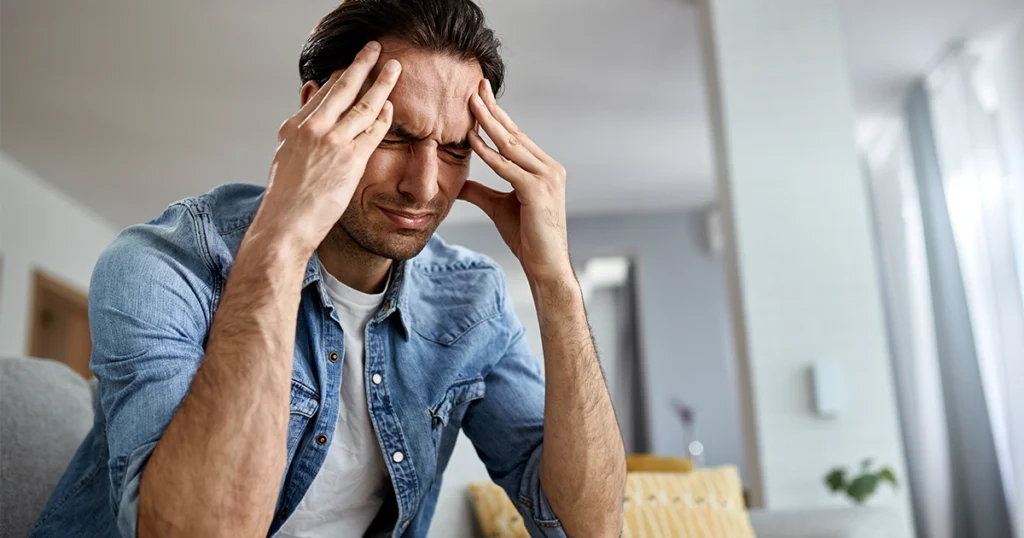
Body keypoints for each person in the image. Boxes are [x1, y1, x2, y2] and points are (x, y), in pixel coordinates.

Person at [31, 1, 626, 537]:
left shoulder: (470, 299)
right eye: (394, 135)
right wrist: (282, 239)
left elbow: (588, 527)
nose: (424, 187)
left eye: (454, 150)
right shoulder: (162, 265)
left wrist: (555, 283)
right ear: (316, 114)